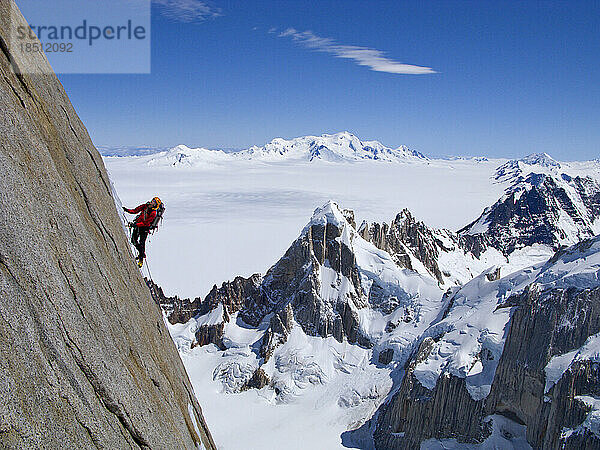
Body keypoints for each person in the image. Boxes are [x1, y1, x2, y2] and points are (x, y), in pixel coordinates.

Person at [123, 197, 162, 267]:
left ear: (155, 205)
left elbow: (146, 223)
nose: (152, 201)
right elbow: (136, 210)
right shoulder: (145, 206)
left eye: (154, 202)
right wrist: (127, 210)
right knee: (133, 240)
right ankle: (142, 253)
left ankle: (141, 258)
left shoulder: (153, 213)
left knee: (141, 243)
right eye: (153, 200)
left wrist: (135, 224)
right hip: (138, 225)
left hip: (144, 229)